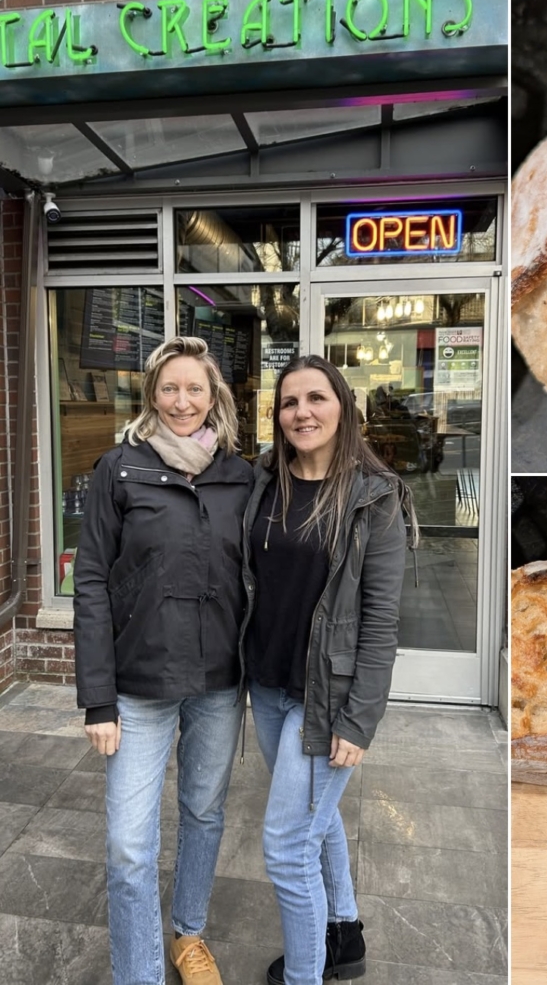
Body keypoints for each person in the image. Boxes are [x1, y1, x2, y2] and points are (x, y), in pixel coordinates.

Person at [74, 336, 253, 985]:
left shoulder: (240, 475)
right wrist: (98, 699)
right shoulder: (119, 469)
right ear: (152, 394)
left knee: (204, 814)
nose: (182, 401)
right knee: (129, 844)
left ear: (213, 396)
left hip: (217, 682)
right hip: (138, 683)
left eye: (194, 388)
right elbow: (91, 581)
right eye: (170, 388)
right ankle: (139, 973)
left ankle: (189, 935)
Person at [240, 354, 415, 985]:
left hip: (328, 699)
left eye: (317, 398)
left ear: (343, 407)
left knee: (287, 847)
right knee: (317, 818)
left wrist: (359, 720)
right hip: (268, 687)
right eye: (290, 402)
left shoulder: (376, 497)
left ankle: (305, 976)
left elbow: (381, 622)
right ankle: (343, 934)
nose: (302, 412)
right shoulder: (263, 481)